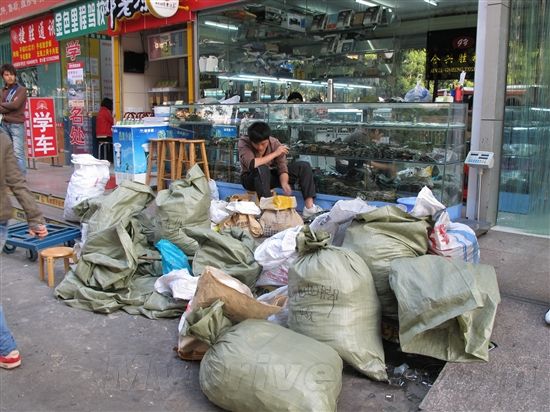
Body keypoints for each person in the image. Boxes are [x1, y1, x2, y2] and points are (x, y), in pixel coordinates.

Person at [0, 131, 48, 369]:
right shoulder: (1, 138)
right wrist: (35, 218)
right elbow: (17, 181)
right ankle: (6, 349)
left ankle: (6, 348)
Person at [238, 121, 323, 218]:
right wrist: (275, 153)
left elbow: (282, 167)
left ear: (268, 139)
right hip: (250, 179)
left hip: (269, 177)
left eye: (263, 144)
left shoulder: (274, 143)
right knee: (261, 168)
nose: (260, 147)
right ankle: (269, 211)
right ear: (251, 140)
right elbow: (252, 164)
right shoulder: (244, 142)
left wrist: (284, 183)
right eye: (256, 144)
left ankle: (309, 208)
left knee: (304, 166)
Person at [0, 63, 28, 174]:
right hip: (4, 125)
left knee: (18, 153)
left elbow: (16, 105)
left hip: (16, 125)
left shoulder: (21, 90)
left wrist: (3, 105)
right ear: (3, 77)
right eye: (6, 75)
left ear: (15, 75)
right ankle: (12, 177)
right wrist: (9, 105)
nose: (10, 77)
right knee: (8, 152)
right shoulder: (2, 91)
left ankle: (21, 179)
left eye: (12, 74)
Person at [95, 97, 114, 162]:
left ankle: (106, 158)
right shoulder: (106, 111)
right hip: (106, 135)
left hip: (99, 135)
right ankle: (111, 159)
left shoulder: (100, 111)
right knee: (115, 141)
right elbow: (112, 121)